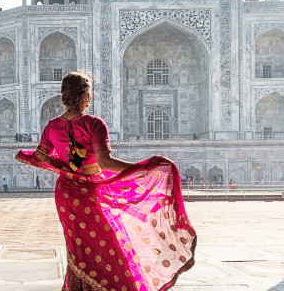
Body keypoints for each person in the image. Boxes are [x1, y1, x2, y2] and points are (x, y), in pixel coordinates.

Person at [15, 71, 196, 290]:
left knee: (79, 247)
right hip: (89, 191)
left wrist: (28, 156)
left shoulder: (52, 126)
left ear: (64, 96)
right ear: (86, 97)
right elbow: (105, 163)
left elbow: (40, 158)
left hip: (66, 194)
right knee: (107, 242)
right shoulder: (93, 124)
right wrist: (141, 168)